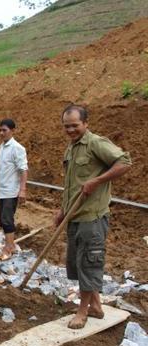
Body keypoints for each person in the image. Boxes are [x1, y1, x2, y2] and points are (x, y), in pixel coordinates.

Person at [54, 105, 132, 329]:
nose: (70, 130)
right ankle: (96, 306)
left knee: (89, 263)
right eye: (66, 126)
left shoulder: (96, 143)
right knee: (78, 264)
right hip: (75, 216)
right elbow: (71, 185)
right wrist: (62, 210)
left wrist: (97, 181)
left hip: (92, 217)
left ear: (85, 124)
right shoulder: (71, 149)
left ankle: (83, 311)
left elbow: (125, 161)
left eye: (75, 126)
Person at [0, 118, 28, 261]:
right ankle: (10, 244)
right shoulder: (2, 146)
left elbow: (23, 169)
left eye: (4, 130)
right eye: (0, 130)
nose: (1, 133)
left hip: (11, 190)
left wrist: (22, 190)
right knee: (2, 220)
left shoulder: (17, 148)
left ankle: (8, 248)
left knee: (7, 219)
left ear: (12, 131)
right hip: (2, 190)